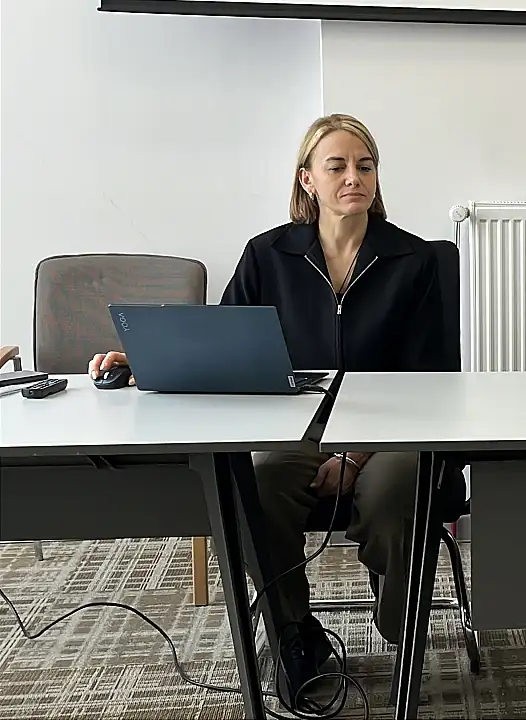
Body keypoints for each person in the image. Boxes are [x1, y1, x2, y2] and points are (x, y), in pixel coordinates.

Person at [88, 114, 466, 709]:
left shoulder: (414, 260)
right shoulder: (268, 255)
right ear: (307, 179)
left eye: (364, 166)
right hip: (296, 424)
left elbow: (433, 381)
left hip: (393, 428)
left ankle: (401, 627)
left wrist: (357, 454)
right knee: (255, 483)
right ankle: (295, 634)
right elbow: (220, 343)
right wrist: (140, 361)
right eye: (336, 166)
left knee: (396, 492)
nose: (353, 178)